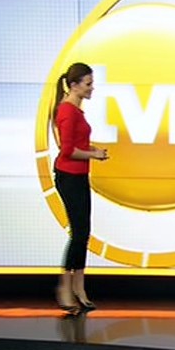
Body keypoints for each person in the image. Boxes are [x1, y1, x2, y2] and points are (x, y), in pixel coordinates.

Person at [53, 62, 109, 315]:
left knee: (83, 233)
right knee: (78, 233)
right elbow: (67, 151)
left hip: (79, 176)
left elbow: (76, 143)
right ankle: (65, 289)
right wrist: (93, 154)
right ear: (74, 85)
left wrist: (92, 150)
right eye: (88, 83)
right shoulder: (67, 111)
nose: (92, 88)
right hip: (69, 177)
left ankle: (80, 289)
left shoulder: (76, 110)